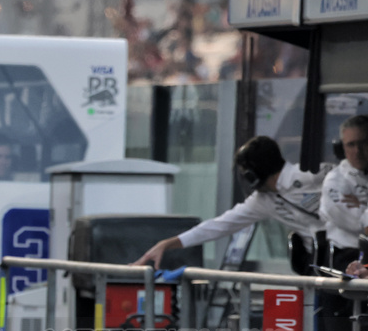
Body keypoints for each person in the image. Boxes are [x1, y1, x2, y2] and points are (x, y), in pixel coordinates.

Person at [134, 135, 328, 268]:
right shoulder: (263, 201)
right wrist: (168, 244)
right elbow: (219, 226)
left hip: (341, 251)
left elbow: (340, 177)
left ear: (253, 173)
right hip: (317, 262)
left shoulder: (310, 175)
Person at [320, 115, 368, 269]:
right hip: (347, 257)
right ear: (341, 148)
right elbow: (354, 223)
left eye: (363, 143)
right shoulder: (335, 181)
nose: (357, 151)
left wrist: (362, 207)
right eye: (351, 145)